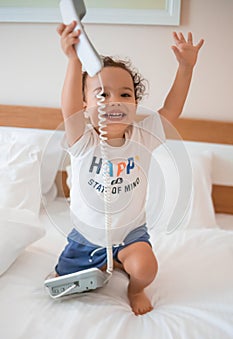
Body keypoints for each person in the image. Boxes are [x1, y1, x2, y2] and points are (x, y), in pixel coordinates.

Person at [55, 21, 204, 316]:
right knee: (62, 282)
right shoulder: (82, 140)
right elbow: (67, 110)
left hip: (130, 233)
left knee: (146, 268)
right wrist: (73, 60)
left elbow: (171, 110)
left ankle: (134, 287)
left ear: (135, 103)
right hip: (87, 236)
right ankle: (104, 261)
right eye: (101, 95)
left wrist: (186, 68)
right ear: (85, 104)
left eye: (125, 95)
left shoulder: (143, 138)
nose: (114, 101)